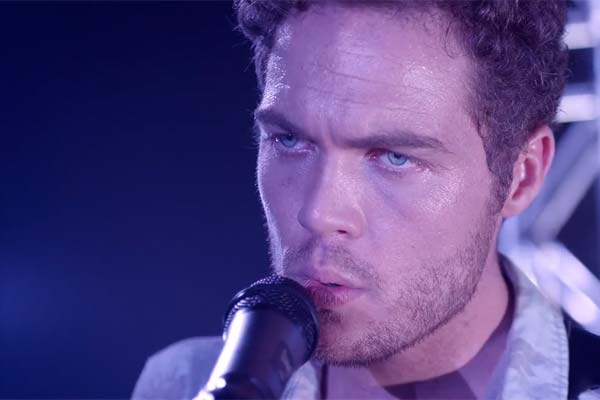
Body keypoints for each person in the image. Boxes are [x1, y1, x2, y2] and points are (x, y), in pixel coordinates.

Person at [132, 1, 600, 398]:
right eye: (289, 140)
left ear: (521, 176)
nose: (319, 213)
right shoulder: (179, 383)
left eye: (396, 157)